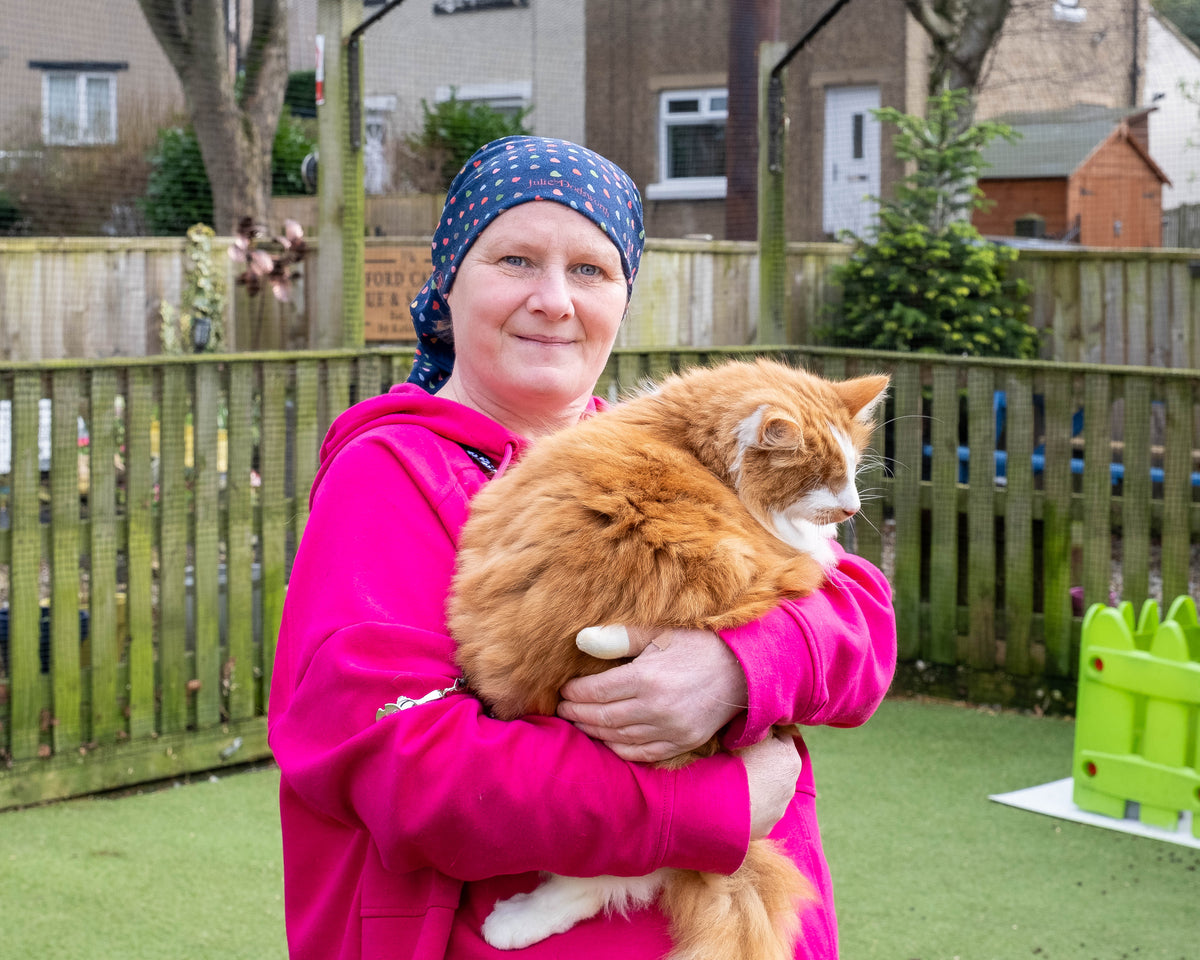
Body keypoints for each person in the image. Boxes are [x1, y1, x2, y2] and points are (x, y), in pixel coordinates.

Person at [267, 135, 897, 960]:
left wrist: (740, 665)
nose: (554, 300)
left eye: (591, 270)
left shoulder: (675, 451)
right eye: (516, 260)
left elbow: (862, 621)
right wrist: (711, 805)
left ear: (623, 300)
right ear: (449, 280)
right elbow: (404, 767)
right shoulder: (388, 475)